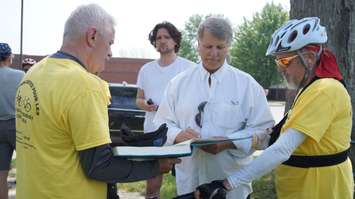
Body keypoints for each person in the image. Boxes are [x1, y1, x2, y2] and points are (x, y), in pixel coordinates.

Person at [15, 4, 179, 199]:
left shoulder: (32, 74)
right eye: (110, 43)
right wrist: (156, 166)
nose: (110, 53)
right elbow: (99, 165)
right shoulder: (85, 85)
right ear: (92, 36)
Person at [195, 17, 354, 199]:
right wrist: (230, 140)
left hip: (319, 188)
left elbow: (281, 149)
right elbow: (275, 136)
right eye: (277, 62)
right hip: (303, 187)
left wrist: (226, 184)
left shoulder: (324, 90)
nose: (280, 69)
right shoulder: (310, 90)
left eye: (285, 61)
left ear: (309, 58)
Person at [154, 17, 274, 199]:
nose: (214, 53)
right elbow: (161, 123)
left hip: (232, 186)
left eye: (220, 47)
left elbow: (265, 132)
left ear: (229, 46)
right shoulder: (178, 84)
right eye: (208, 47)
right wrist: (178, 135)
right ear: (198, 45)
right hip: (189, 185)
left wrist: (229, 142)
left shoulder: (247, 85)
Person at [136, 21, 195, 199]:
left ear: (175, 40)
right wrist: (145, 105)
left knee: (187, 183)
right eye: (158, 38)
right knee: (153, 185)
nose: (162, 41)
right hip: (153, 132)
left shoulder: (189, 68)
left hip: (181, 133)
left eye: (166, 37)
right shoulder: (146, 70)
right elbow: (138, 99)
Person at [0, 43, 24, 199]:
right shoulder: (20, 75)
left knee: (1, 175)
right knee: (25, 170)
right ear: (9, 57)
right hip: (18, 127)